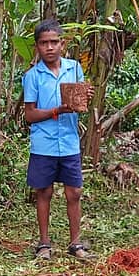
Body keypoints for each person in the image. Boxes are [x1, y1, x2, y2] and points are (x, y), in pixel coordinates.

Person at [23, 19, 94, 260]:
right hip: (44, 143)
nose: (50, 47)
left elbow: (80, 102)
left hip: (69, 141)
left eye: (54, 42)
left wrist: (85, 95)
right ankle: (44, 243)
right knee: (44, 192)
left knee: (74, 192)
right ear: (37, 46)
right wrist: (57, 111)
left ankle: (75, 243)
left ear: (62, 44)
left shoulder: (74, 68)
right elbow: (30, 115)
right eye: (44, 43)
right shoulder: (33, 76)